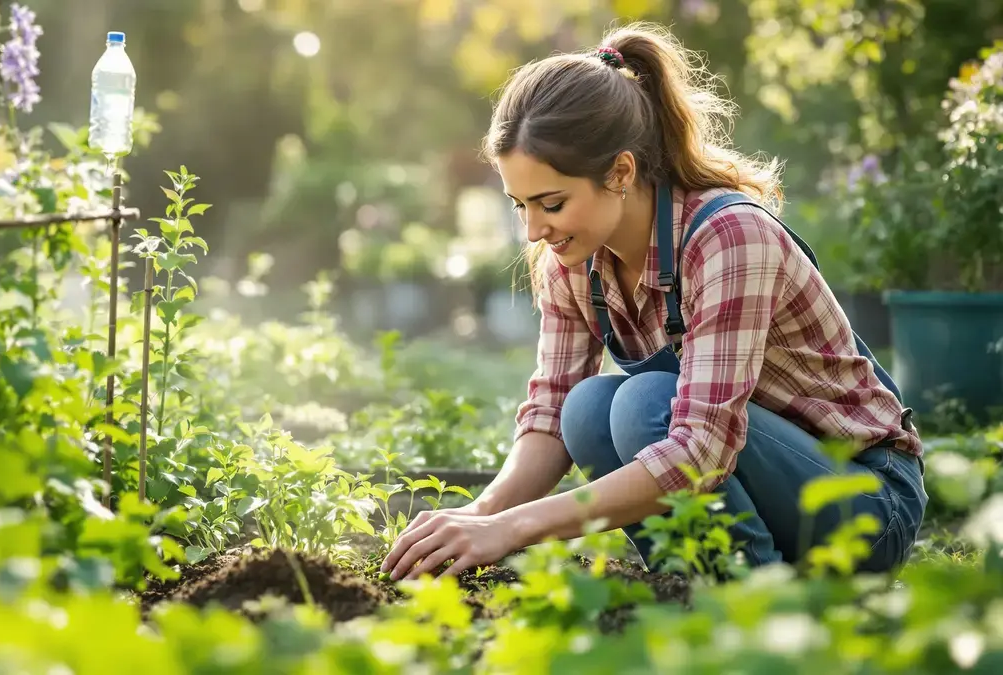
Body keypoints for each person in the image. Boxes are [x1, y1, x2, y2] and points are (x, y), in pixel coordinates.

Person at [380, 22, 927, 582]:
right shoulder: (575, 260)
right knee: (585, 410)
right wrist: (478, 515)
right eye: (520, 205)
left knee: (644, 405)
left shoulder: (728, 238)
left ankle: (754, 596)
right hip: (758, 482)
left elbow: (702, 450)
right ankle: (696, 580)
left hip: (865, 503)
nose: (533, 230)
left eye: (551, 203)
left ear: (620, 172)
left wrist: (514, 528)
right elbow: (550, 414)